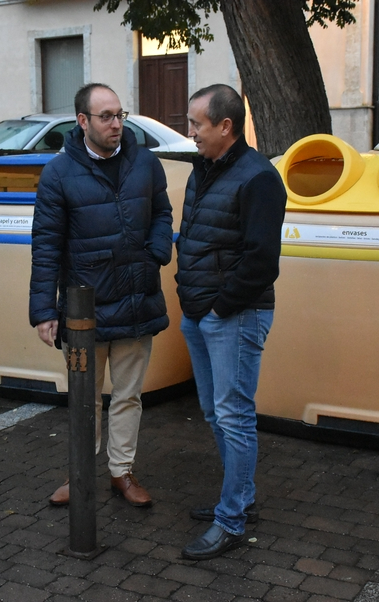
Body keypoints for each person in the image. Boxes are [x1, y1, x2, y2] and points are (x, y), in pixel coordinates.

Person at [29, 83, 173, 508]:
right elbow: (46, 245)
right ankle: (80, 475)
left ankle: (121, 472)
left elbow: (162, 212)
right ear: (82, 122)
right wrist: (43, 310)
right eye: (106, 116)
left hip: (136, 299)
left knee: (128, 395)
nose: (116, 124)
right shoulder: (58, 174)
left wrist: (157, 253)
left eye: (119, 115)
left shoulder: (146, 163)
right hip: (83, 310)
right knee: (84, 399)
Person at [175, 84, 286, 560]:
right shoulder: (204, 168)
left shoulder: (259, 178)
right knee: (215, 412)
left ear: (225, 126)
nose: (190, 133)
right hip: (200, 315)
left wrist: (220, 308)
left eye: (197, 124)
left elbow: (262, 260)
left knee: (234, 416)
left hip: (234, 316)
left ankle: (233, 521)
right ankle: (238, 497)